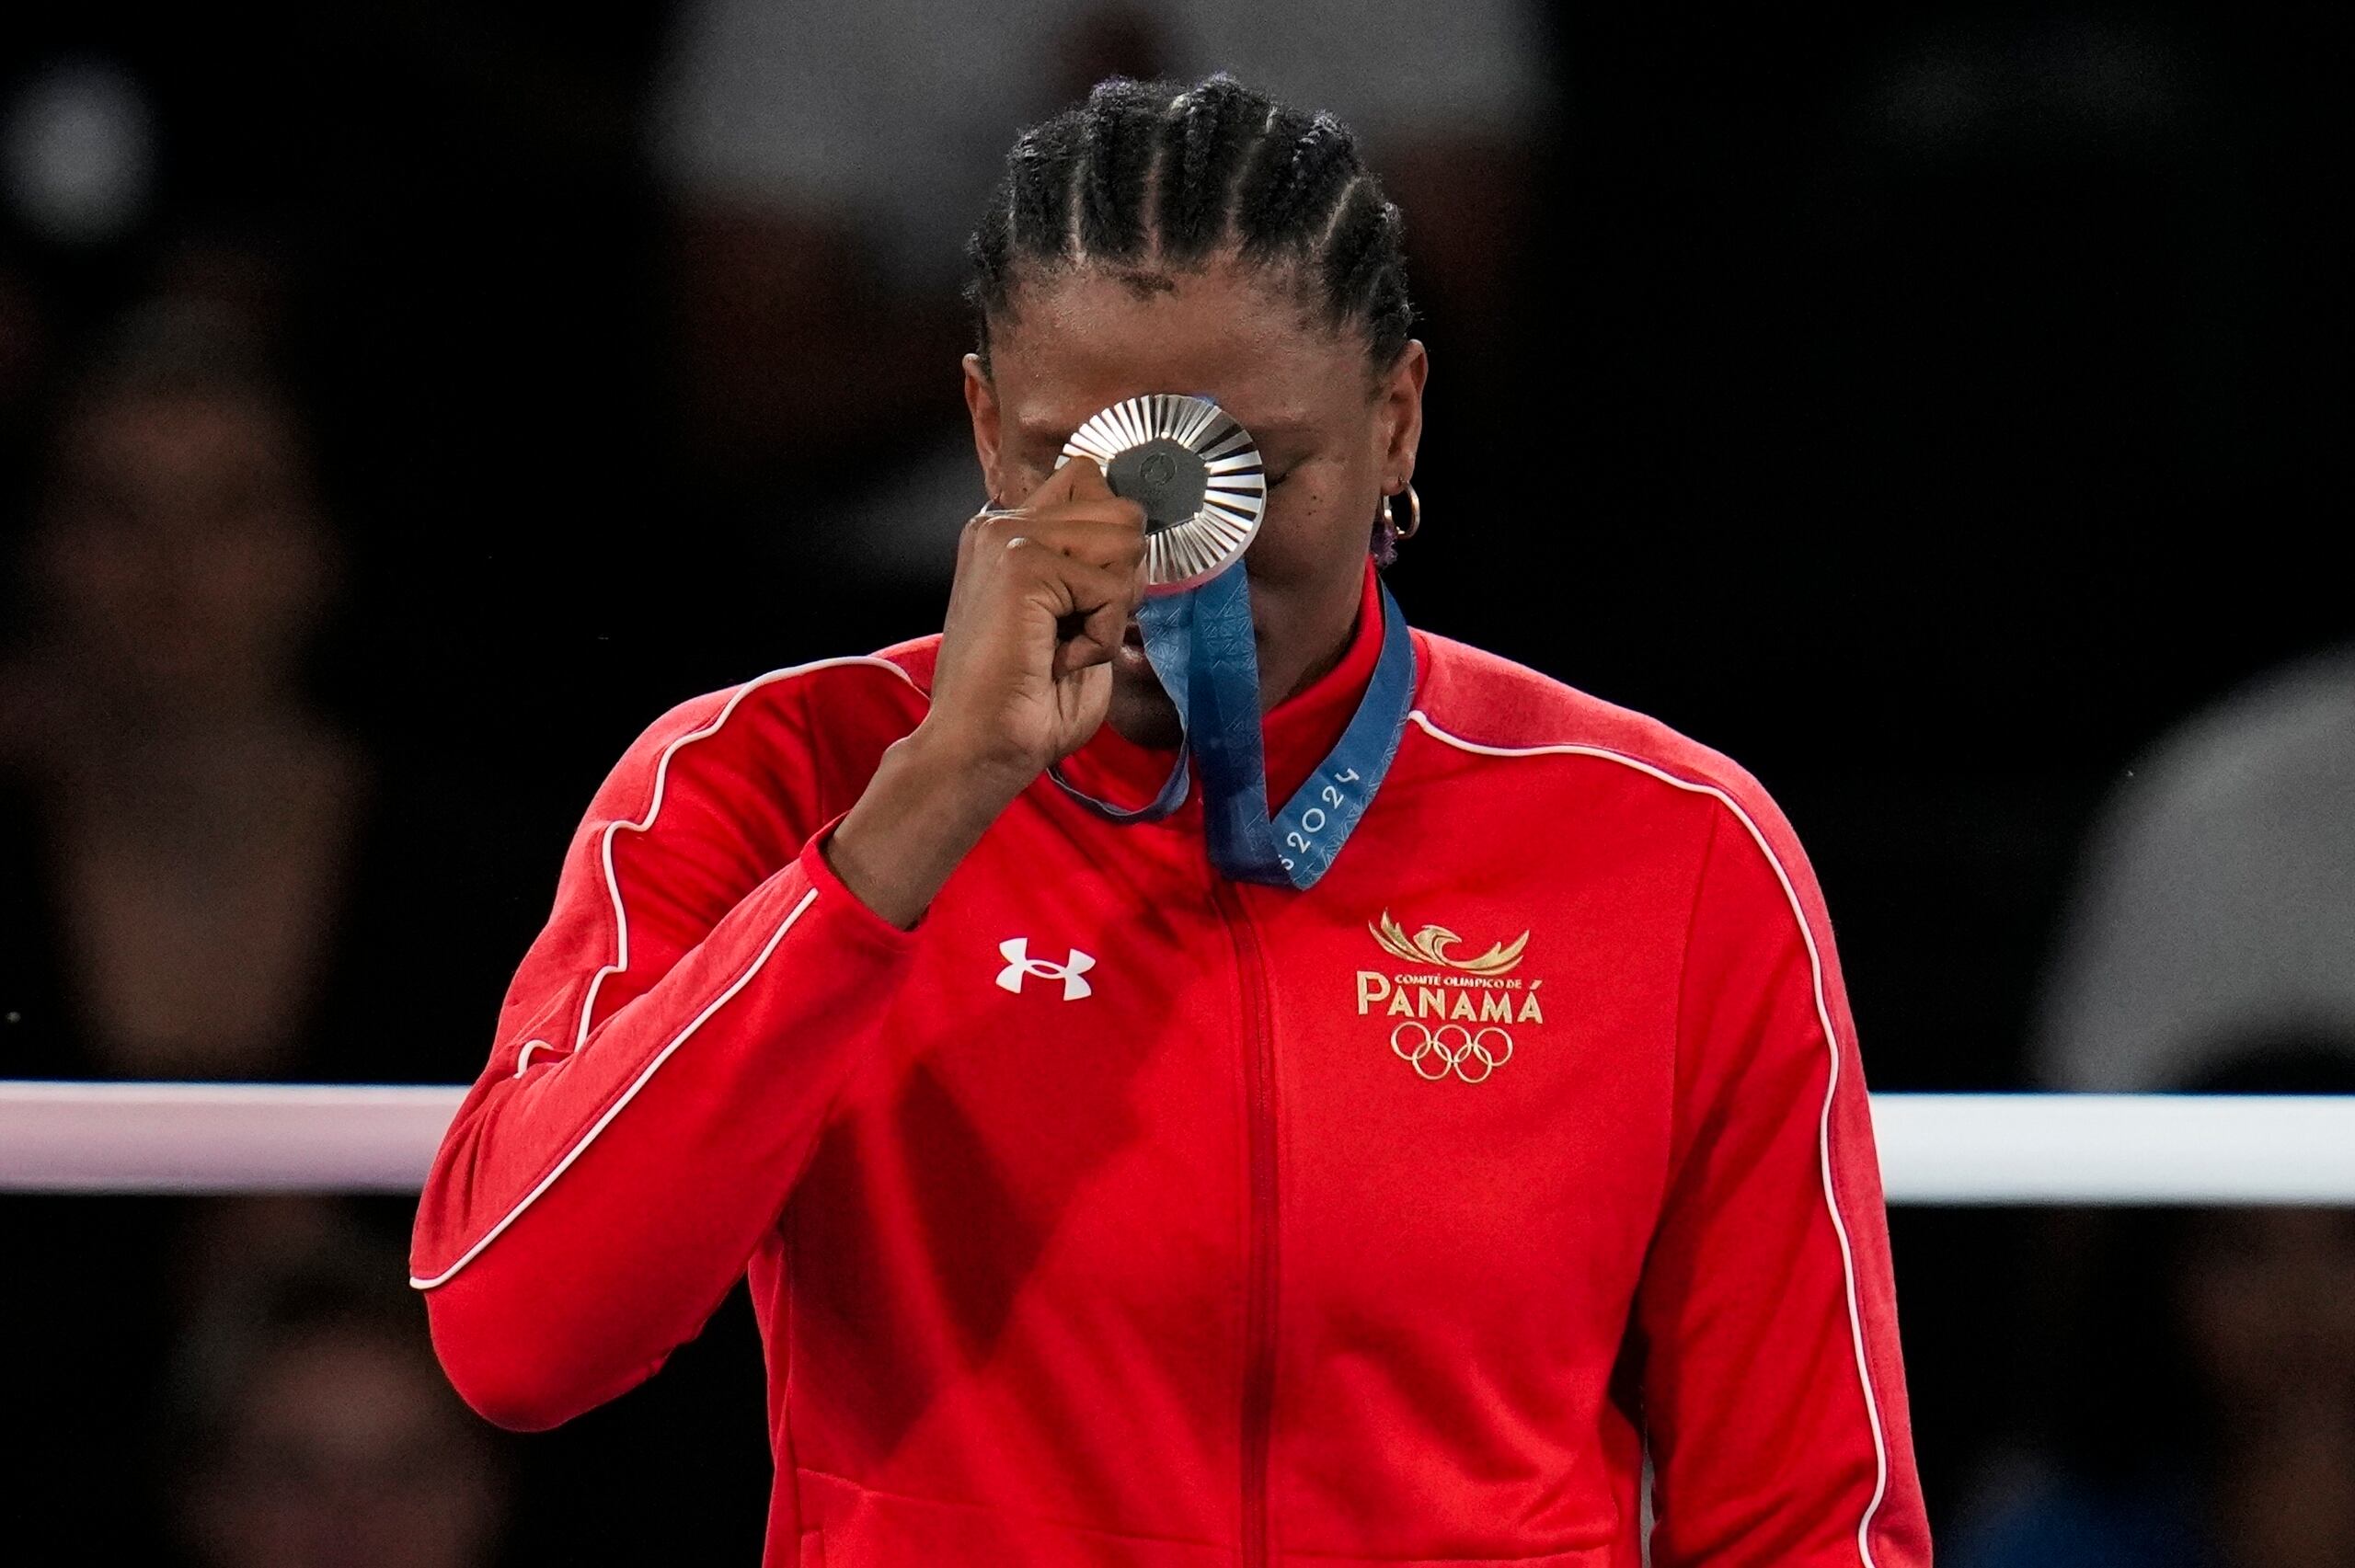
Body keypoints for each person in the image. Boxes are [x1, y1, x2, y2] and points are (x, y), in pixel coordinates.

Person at [413, 74, 1930, 1565]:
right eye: (1098, 472)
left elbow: (1814, 1517)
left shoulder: (1670, 844)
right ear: (990, 435)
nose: (1178, 549)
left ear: (1398, 423)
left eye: (1257, 470)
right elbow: (519, 1337)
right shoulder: (769, 777)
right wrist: (923, 810)